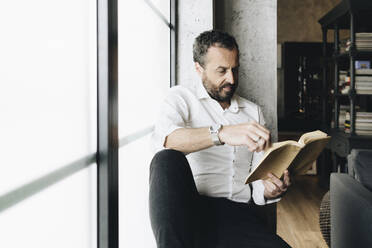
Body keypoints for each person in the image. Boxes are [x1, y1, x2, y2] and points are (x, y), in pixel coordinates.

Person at [149, 30, 291, 248]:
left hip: (237, 214)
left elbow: (258, 185)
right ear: (199, 68)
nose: (231, 79)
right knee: (165, 160)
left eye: (235, 69)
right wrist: (221, 133)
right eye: (222, 71)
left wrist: (271, 188)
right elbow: (166, 141)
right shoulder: (180, 98)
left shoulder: (254, 112)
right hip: (189, 211)